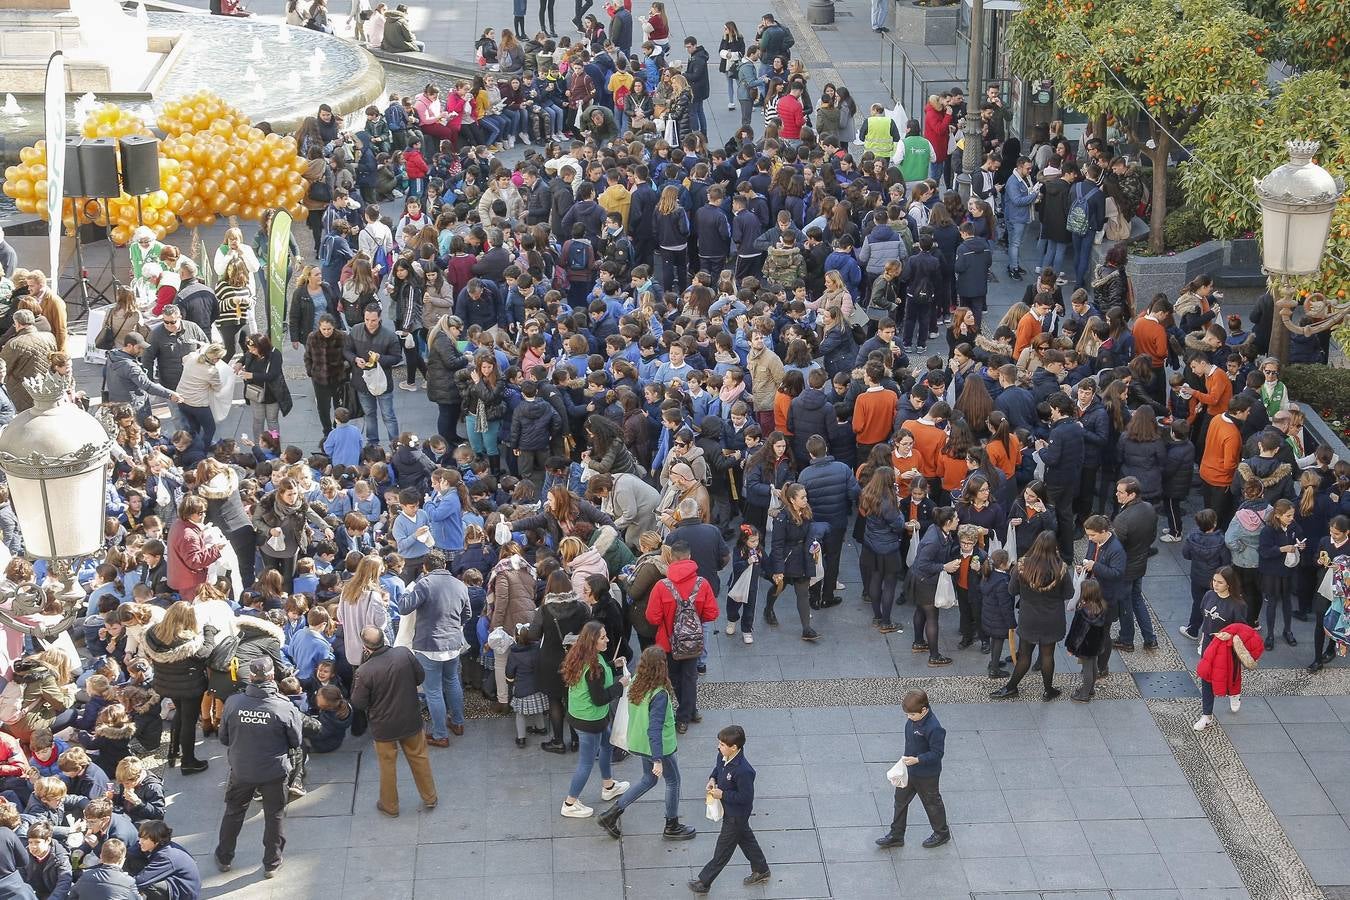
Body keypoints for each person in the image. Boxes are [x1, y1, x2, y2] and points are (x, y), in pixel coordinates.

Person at [211, 657, 302, 878]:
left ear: (250, 677)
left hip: (241, 768)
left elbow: (223, 738)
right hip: (273, 770)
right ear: (272, 677)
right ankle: (272, 862)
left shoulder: (233, 703)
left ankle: (224, 857)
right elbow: (296, 741)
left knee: (234, 812)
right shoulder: (284, 706)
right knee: (274, 816)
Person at [597, 644, 696, 839]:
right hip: (658, 747)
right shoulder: (659, 694)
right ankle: (671, 824)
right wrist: (658, 759)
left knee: (648, 779)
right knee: (673, 781)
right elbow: (655, 728)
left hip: (639, 743)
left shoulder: (635, 683)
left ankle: (612, 813)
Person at [351, 625, 439, 816]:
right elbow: (420, 677)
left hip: (384, 727)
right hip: (410, 719)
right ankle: (430, 797)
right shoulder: (403, 654)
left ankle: (390, 805)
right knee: (420, 758)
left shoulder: (365, 671)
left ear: (366, 648)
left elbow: (358, 702)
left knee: (387, 766)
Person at [398, 550, 472, 747]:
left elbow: (404, 607)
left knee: (433, 691)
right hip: (453, 643)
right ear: (445, 565)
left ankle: (440, 735)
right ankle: (458, 723)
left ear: (425, 567)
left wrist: (406, 591)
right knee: (452, 681)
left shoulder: (424, 584)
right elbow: (467, 614)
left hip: (429, 645)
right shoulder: (459, 584)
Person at [645, 540, 718, 733]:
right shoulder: (702, 584)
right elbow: (712, 613)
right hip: (693, 641)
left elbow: (652, 618)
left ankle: (684, 716)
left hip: (668, 642)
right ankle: (690, 711)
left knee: (675, 678)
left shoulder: (662, 586)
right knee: (690, 677)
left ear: (672, 558)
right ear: (690, 557)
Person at [558, 621, 629, 818]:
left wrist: (613, 665)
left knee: (607, 744)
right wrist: (621, 684)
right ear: (593, 641)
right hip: (590, 720)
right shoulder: (593, 667)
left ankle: (609, 785)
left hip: (583, 716)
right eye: (603, 637)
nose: (607, 640)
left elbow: (599, 677)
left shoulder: (583, 656)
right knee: (586, 763)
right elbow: (600, 698)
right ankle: (570, 803)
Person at [688, 724, 770, 894]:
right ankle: (762, 869)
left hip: (736, 815)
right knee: (746, 838)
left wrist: (722, 794)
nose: (719, 747)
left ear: (734, 748)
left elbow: (746, 798)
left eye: (723, 745)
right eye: (719, 743)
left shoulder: (744, 771)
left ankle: (704, 882)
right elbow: (719, 769)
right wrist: (712, 778)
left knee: (723, 850)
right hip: (731, 812)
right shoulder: (723, 755)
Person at [991, 532, 1073, 700]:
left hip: (1029, 617)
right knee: (1048, 655)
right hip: (1052, 618)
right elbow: (1069, 593)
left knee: (1024, 654)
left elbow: (1012, 590)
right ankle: (1048, 690)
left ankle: (1011, 687)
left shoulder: (1022, 566)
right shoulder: (1061, 568)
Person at [875, 689, 949, 849]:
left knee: (932, 803)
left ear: (924, 710)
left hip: (927, 774)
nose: (909, 718)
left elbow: (937, 753)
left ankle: (942, 833)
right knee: (900, 801)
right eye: (907, 715)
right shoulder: (914, 719)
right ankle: (896, 835)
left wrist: (918, 759)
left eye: (912, 715)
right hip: (909, 770)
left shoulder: (934, 728)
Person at [344, 305, 403, 445]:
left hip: (382, 382)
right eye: (367, 319)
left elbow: (397, 357)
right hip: (362, 381)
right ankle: (372, 444)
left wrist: (380, 358)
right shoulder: (356, 330)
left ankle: (395, 444)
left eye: (373, 320)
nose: (370, 323)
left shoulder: (389, 335)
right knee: (369, 414)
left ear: (380, 318)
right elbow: (346, 350)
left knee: (388, 416)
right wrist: (355, 359)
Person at [133, 820, 200, 900]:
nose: (140, 842)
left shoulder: (165, 857)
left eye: (144, 839)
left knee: (149, 884)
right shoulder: (162, 846)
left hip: (184, 894)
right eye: (140, 837)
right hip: (176, 881)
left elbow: (141, 880)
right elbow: (131, 851)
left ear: (157, 840)